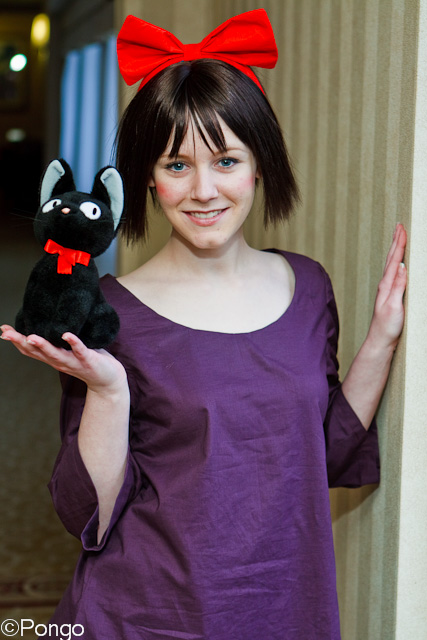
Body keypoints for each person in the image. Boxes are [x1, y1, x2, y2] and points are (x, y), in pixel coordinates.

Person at [0, 9, 407, 640]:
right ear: (148, 177)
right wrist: (108, 390)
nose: (204, 191)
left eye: (225, 161)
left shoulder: (309, 289)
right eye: (176, 165)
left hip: (283, 607)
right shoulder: (108, 311)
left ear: (259, 164)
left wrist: (382, 335)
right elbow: (89, 516)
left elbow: (321, 453)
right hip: (146, 615)